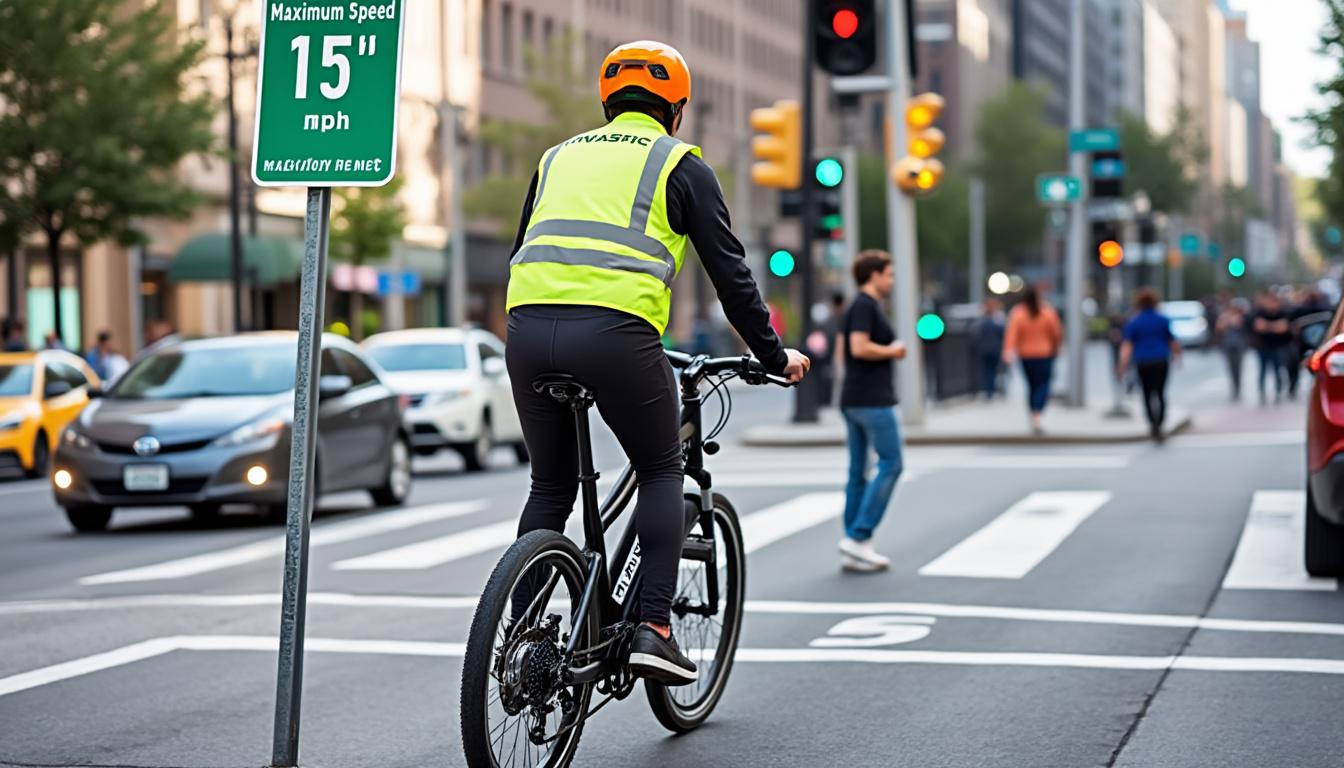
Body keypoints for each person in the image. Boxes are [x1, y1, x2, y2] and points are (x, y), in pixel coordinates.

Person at [503, 40, 809, 686]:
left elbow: (521, 251)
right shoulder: (680, 164)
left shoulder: (555, 157)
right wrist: (774, 356)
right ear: (676, 108)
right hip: (616, 334)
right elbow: (732, 277)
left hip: (527, 331)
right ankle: (654, 629)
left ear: (607, 103)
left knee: (551, 486)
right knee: (660, 467)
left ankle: (520, 638)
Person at [838, 251, 906, 572]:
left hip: (854, 397)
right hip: (873, 400)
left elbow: (844, 352)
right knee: (892, 463)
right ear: (874, 275)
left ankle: (855, 546)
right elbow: (858, 347)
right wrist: (893, 350)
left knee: (858, 473)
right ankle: (859, 535)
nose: (891, 280)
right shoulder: (865, 305)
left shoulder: (857, 306)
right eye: (889, 274)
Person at [1117, 289, 1181, 441]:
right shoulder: (1162, 319)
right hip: (1160, 360)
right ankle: (1160, 422)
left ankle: (1152, 423)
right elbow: (1172, 341)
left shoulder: (1134, 321)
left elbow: (1127, 345)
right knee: (1160, 392)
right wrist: (1178, 356)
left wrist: (1122, 365)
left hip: (1143, 362)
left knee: (1146, 394)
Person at [1002, 285, 1063, 434]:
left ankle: (1034, 415)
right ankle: (1037, 414)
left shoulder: (1018, 312)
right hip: (1044, 354)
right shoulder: (1047, 311)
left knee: (1031, 386)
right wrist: (1057, 348)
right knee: (1043, 385)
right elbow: (1056, 333)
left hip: (1026, 355)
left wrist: (1008, 351)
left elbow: (1012, 333)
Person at [1252, 292, 1292, 404]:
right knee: (1262, 371)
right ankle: (1262, 393)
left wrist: (1267, 325)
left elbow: (1283, 328)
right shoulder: (1260, 313)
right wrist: (1275, 325)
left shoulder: (1282, 313)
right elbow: (1258, 326)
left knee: (1278, 371)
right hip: (1263, 347)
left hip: (1277, 347)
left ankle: (1278, 392)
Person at [1216, 300, 1250, 401]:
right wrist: (1226, 321)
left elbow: (1245, 327)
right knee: (1231, 369)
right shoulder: (1224, 317)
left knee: (1239, 369)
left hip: (1239, 347)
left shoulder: (1241, 317)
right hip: (1228, 347)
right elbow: (1219, 329)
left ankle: (1238, 389)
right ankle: (1234, 389)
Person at [974, 298, 1006, 399]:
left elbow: (977, 333)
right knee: (992, 370)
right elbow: (1003, 332)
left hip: (987, 348)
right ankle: (991, 389)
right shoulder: (997, 319)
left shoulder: (983, 319)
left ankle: (990, 390)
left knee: (989, 370)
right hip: (993, 348)